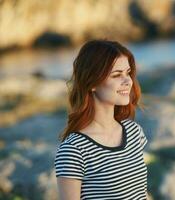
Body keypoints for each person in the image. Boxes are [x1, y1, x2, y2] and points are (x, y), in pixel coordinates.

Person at [54, 39, 148, 200]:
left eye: (128, 73)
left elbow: (140, 194)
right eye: (117, 75)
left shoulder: (134, 132)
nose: (128, 81)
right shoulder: (73, 149)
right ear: (92, 83)